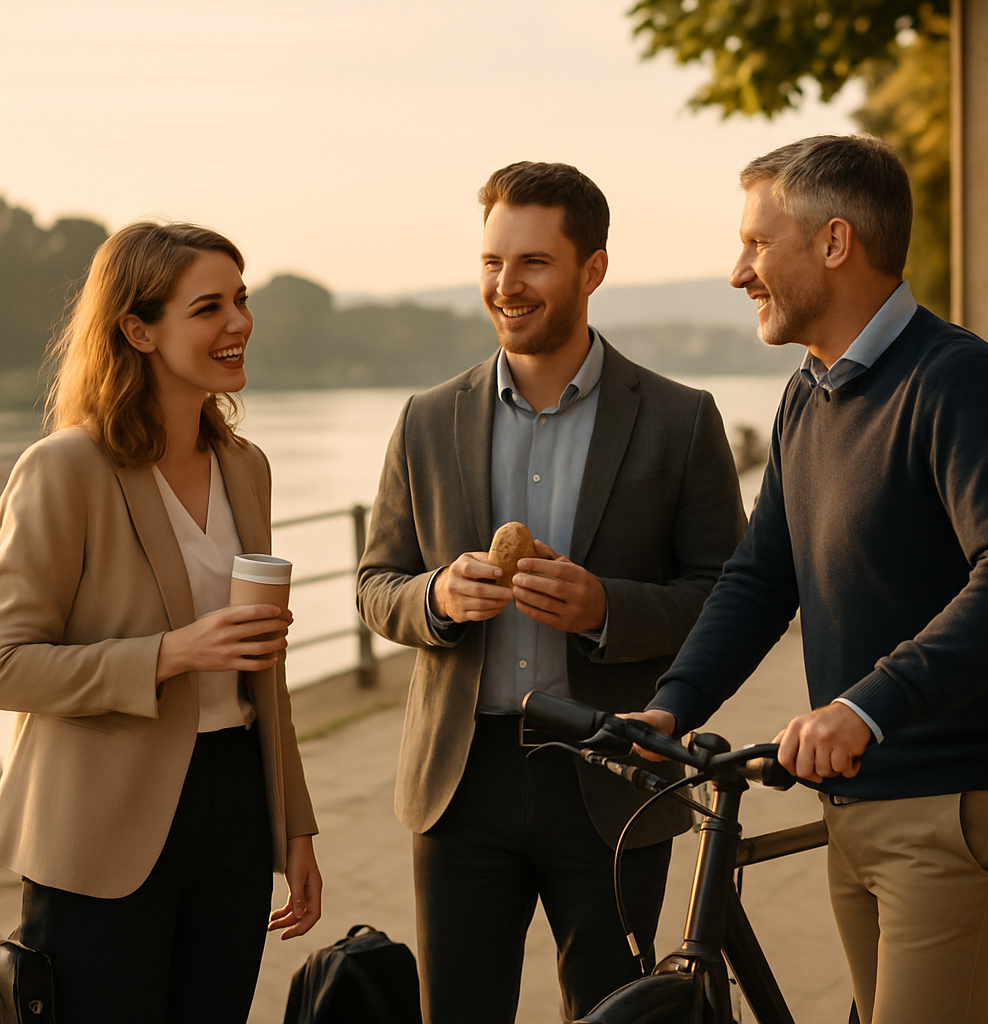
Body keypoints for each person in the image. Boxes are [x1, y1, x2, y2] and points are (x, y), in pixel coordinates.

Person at [633, 135, 988, 1024]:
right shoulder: (808, 392)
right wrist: (674, 703)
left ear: (835, 243)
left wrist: (864, 706)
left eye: (758, 243)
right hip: (854, 804)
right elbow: (762, 574)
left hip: (949, 806)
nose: (739, 271)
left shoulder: (956, 379)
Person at [356, 161, 746, 1023]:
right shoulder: (426, 418)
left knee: (615, 1014)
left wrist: (607, 610)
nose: (507, 284)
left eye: (532, 262)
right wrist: (434, 599)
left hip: (610, 777)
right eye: (493, 261)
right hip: (459, 784)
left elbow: (728, 593)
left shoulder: (683, 419)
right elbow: (374, 584)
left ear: (592, 270)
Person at [0, 222, 322, 1024]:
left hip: (236, 810)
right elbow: (8, 663)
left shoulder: (246, 468)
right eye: (209, 307)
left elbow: (263, 671)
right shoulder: (63, 469)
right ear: (138, 330)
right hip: (100, 827)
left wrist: (296, 827)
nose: (239, 322)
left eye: (240, 300)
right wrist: (169, 654)